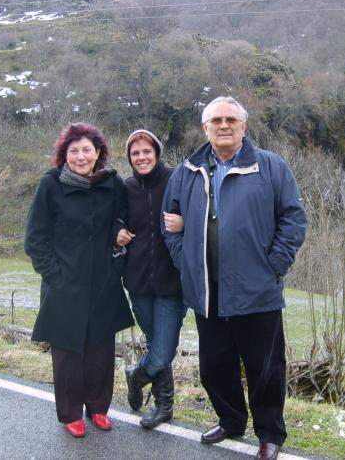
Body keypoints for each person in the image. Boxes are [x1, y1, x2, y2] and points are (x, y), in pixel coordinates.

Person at [162, 96, 307, 460]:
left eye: (231, 120)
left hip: (256, 290)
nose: (223, 125)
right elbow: (169, 222)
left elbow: (293, 219)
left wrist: (275, 264)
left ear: (243, 126)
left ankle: (270, 434)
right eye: (216, 121)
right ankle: (231, 420)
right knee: (214, 367)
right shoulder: (187, 171)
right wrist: (186, 262)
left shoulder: (270, 167)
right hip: (207, 291)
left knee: (266, 369)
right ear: (205, 128)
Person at [24, 122, 134, 438]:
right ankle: (71, 413)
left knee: (101, 350)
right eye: (74, 151)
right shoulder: (51, 184)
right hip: (64, 284)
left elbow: (122, 220)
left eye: (87, 150)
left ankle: (98, 407)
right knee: (68, 353)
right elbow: (35, 238)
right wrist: (54, 276)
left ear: (98, 152)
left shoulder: (112, 183)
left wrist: (117, 247)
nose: (81, 156)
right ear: (65, 154)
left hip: (103, 282)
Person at [115, 129, 186, 429]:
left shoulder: (176, 179)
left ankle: (136, 376)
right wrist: (116, 232)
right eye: (135, 153)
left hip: (172, 282)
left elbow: (200, 212)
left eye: (146, 151)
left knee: (163, 350)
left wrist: (184, 221)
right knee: (156, 341)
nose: (141, 157)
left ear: (157, 152)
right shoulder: (127, 187)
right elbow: (114, 219)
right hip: (139, 281)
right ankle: (163, 405)